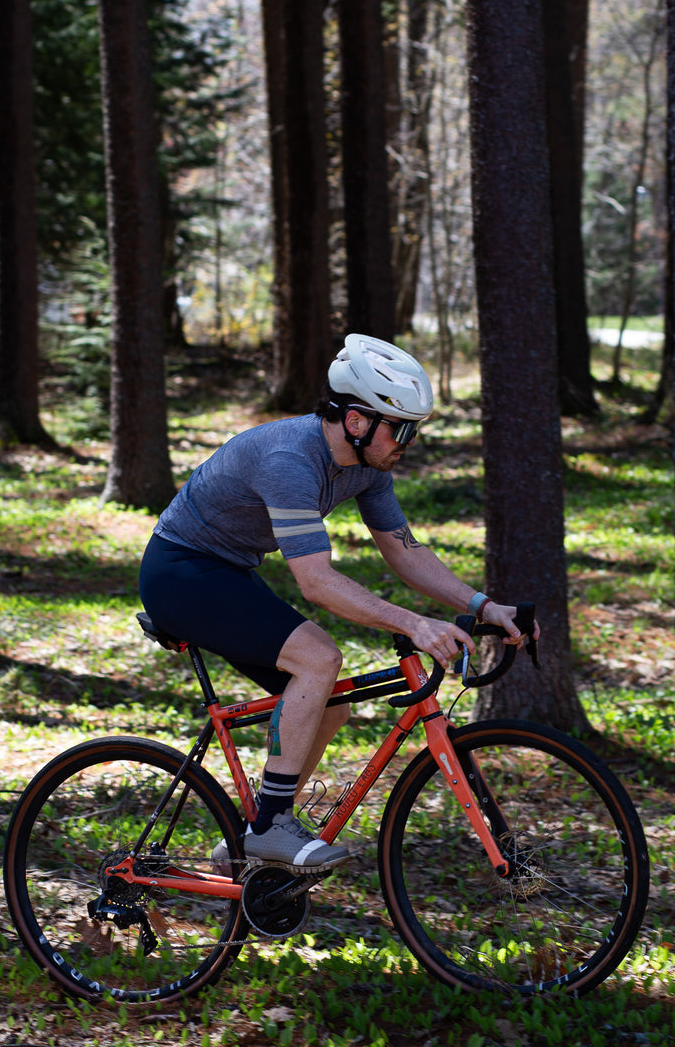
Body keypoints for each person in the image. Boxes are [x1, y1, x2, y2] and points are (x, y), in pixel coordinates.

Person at [139, 334, 539, 869]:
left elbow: (405, 552)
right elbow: (317, 582)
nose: (407, 443)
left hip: (228, 570)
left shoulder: (368, 466)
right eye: (402, 429)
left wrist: (485, 605)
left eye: (413, 431)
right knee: (318, 658)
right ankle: (272, 829)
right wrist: (413, 623)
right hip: (180, 571)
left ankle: (251, 837)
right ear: (356, 421)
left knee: (331, 701)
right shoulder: (289, 459)